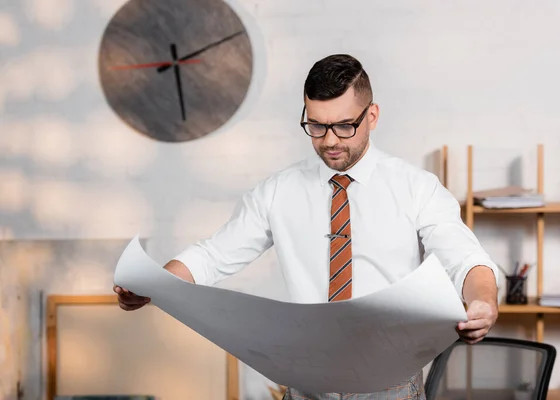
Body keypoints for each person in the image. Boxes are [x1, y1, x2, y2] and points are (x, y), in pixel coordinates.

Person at [114, 54, 499, 399]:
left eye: (345, 126)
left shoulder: (416, 188)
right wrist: (155, 285)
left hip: (389, 386)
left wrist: (484, 300)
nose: (330, 141)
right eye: (316, 126)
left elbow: (464, 258)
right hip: (306, 386)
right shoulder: (277, 191)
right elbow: (213, 256)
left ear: (373, 116)